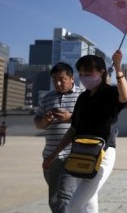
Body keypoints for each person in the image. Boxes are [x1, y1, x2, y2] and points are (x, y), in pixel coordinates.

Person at [43, 50, 127, 212]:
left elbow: (125, 96)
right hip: (80, 152)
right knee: (89, 203)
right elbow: (73, 129)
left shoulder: (110, 93)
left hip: (102, 152)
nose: (84, 78)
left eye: (88, 73)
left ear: (101, 72)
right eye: (82, 74)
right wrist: (53, 154)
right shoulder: (83, 98)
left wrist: (118, 66)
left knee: (75, 204)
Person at [34, 62, 84, 212]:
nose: (58, 83)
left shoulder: (83, 96)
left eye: (62, 79)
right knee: (54, 199)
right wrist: (45, 120)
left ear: (72, 78)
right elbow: (38, 123)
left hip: (74, 155)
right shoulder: (46, 98)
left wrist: (70, 117)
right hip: (50, 156)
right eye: (54, 80)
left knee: (64, 197)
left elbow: (91, 120)